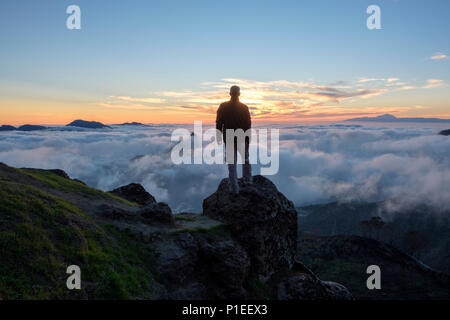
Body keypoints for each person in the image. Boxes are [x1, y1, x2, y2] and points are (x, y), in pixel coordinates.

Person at [216, 85, 252, 194]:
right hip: (242, 137)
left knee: (232, 164)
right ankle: (248, 180)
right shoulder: (244, 107)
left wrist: (219, 136)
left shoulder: (223, 106)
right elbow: (248, 125)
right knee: (245, 160)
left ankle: (234, 188)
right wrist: (248, 140)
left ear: (230, 93)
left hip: (229, 137)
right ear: (239, 94)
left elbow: (219, 123)